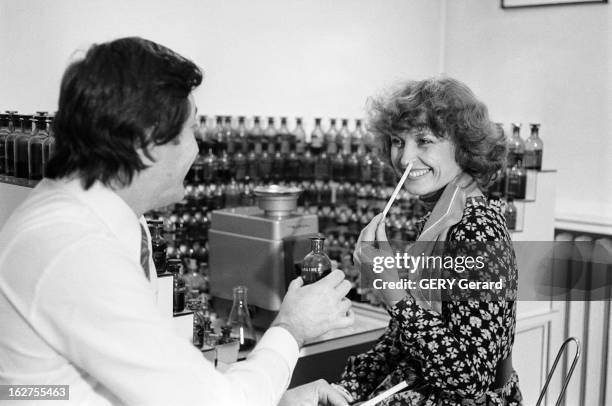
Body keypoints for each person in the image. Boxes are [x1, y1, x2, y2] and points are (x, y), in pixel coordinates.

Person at [0, 37, 354, 406]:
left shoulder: (113, 221)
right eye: (190, 130)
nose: (197, 150)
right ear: (148, 142)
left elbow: (167, 380)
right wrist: (290, 328)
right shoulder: (75, 250)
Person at [332, 77, 523, 405]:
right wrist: (348, 386)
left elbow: (469, 380)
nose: (405, 159)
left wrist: (392, 291)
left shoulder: (476, 232)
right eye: (396, 141)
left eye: (424, 141)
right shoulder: (443, 218)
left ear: (464, 148)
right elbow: (406, 341)